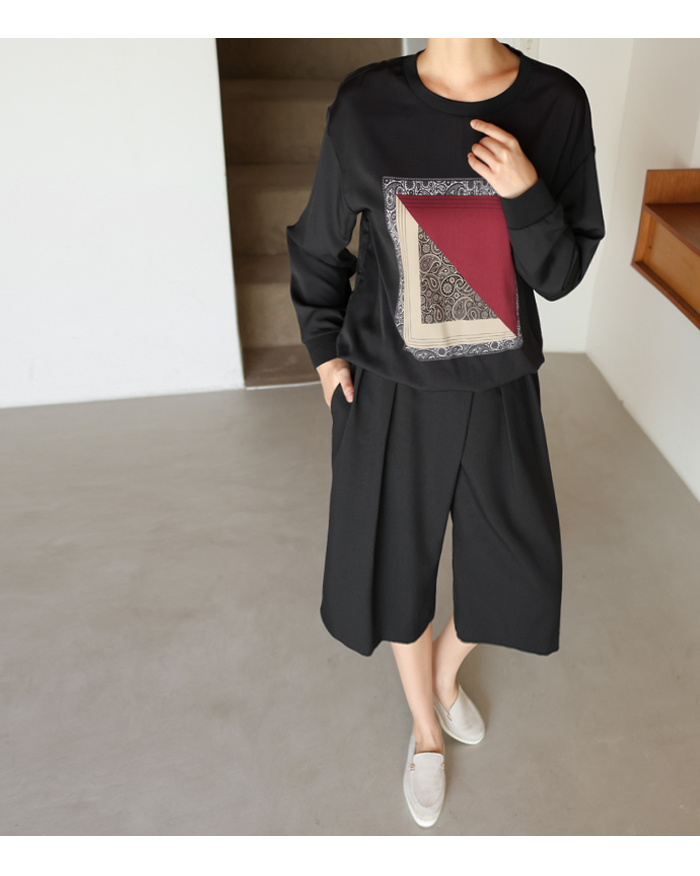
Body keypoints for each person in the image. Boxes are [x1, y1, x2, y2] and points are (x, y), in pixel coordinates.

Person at [286, 38, 605, 828]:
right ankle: (426, 729)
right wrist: (324, 350)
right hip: (391, 386)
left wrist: (526, 193)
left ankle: (440, 675)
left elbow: (559, 275)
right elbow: (320, 241)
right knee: (396, 567)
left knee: (520, 568)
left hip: (500, 384)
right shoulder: (366, 104)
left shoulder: (556, 104)